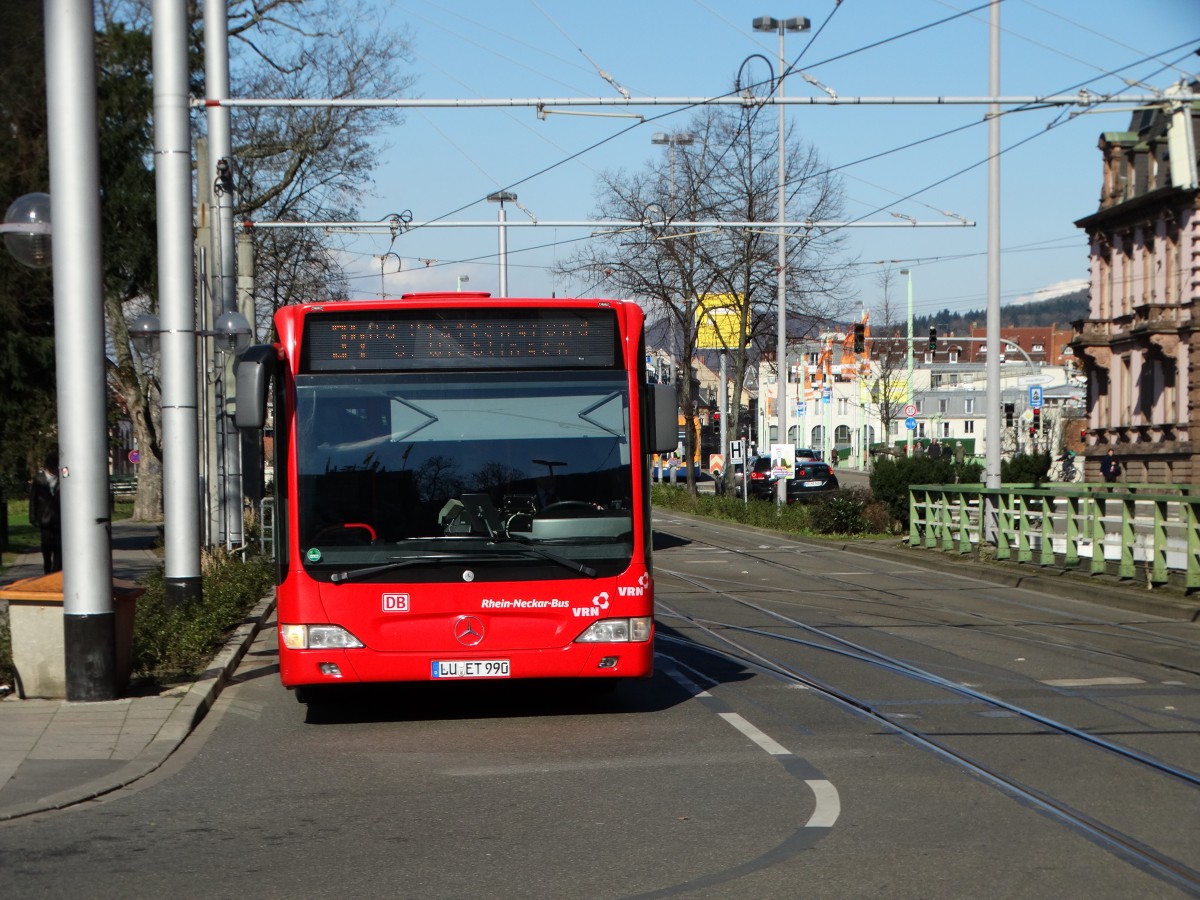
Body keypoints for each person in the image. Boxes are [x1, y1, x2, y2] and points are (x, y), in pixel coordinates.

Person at [29, 450, 62, 575]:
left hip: (60, 519)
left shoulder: (62, 477)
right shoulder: (39, 479)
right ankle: (47, 569)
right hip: (44, 518)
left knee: (59, 546)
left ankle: (57, 570)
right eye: (53, 468)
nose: (55, 470)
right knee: (46, 545)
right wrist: (33, 517)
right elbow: (33, 499)